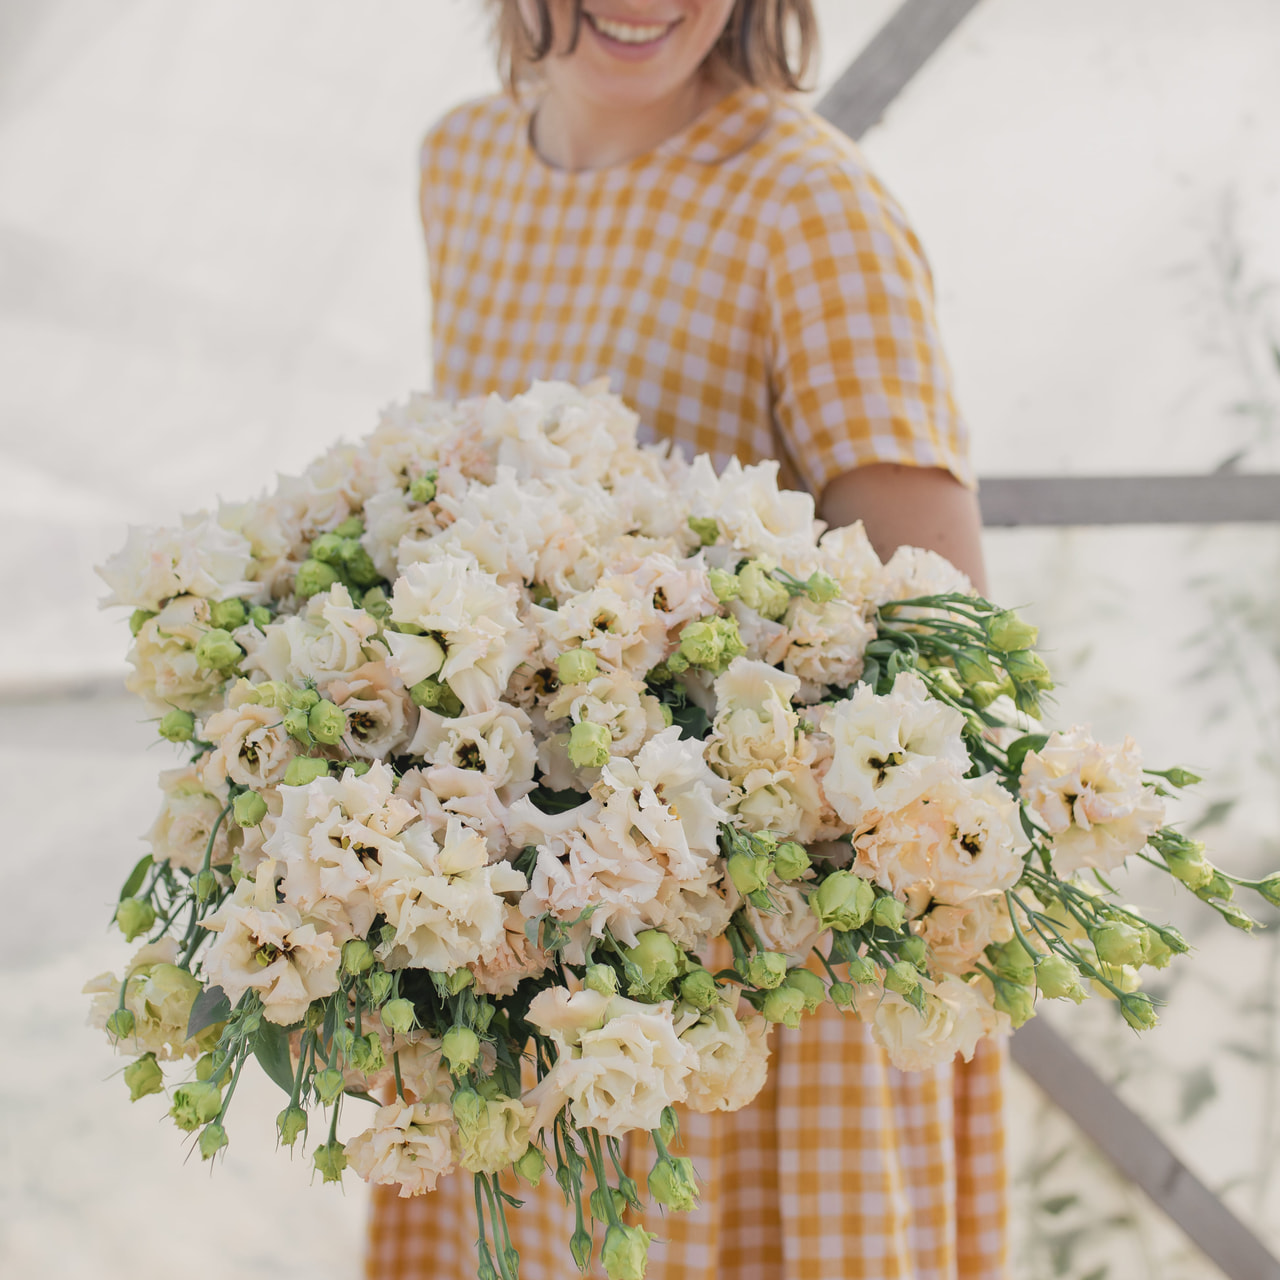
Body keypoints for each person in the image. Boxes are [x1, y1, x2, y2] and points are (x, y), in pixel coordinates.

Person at [366, 2, 1006, 1277]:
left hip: (738, 997)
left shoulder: (806, 209)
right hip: (512, 959)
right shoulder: (464, 162)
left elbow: (941, 651)